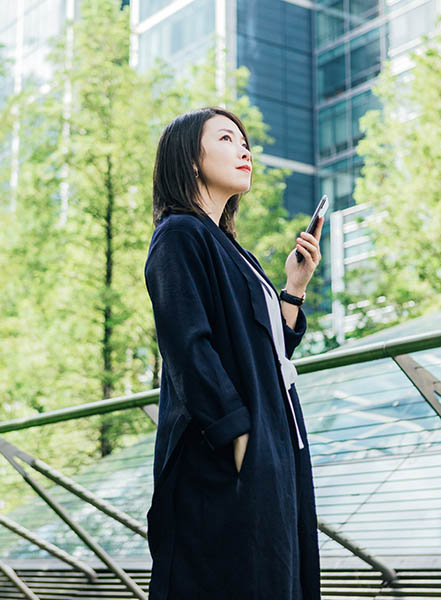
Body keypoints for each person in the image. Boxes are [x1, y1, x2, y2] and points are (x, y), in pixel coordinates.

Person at [144, 106, 323, 600]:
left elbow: (267, 353)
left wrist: (293, 286)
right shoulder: (179, 235)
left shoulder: (234, 251)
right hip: (225, 454)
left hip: (274, 442)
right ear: (190, 159)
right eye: (226, 138)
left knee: (274, 576)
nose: (243, 148)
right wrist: (238, 437)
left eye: (245, 141)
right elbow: (188, 349)